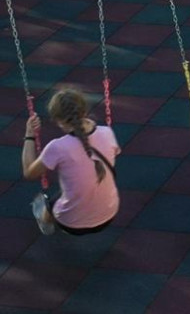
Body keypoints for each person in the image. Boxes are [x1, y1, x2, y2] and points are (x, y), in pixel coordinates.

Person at [23, 87, 121, 238]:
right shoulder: (107, 132)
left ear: (59, 121)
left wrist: (29, 135)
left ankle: (45, 219)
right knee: (86, 182)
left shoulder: (58, 147)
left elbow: (29, 173)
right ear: (84, 111)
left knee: (59, 197)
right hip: (109, 215)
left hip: (71, 224)